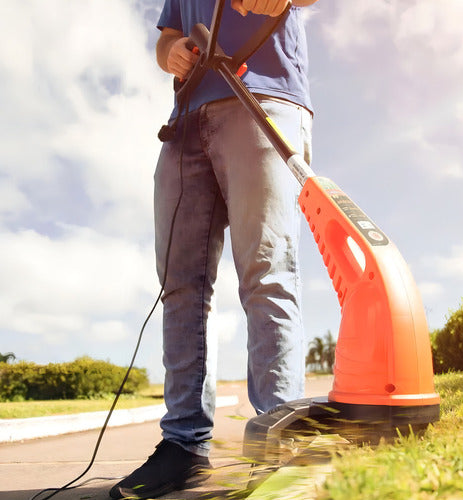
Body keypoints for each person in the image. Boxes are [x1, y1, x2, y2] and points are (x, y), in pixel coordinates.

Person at [110, 0, 318, 498]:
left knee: (266, 273)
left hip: (263, 99)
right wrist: (172, 54)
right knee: (181, 288)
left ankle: (280, 448)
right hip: (183, 122)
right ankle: (183, 447)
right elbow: (167, 37)